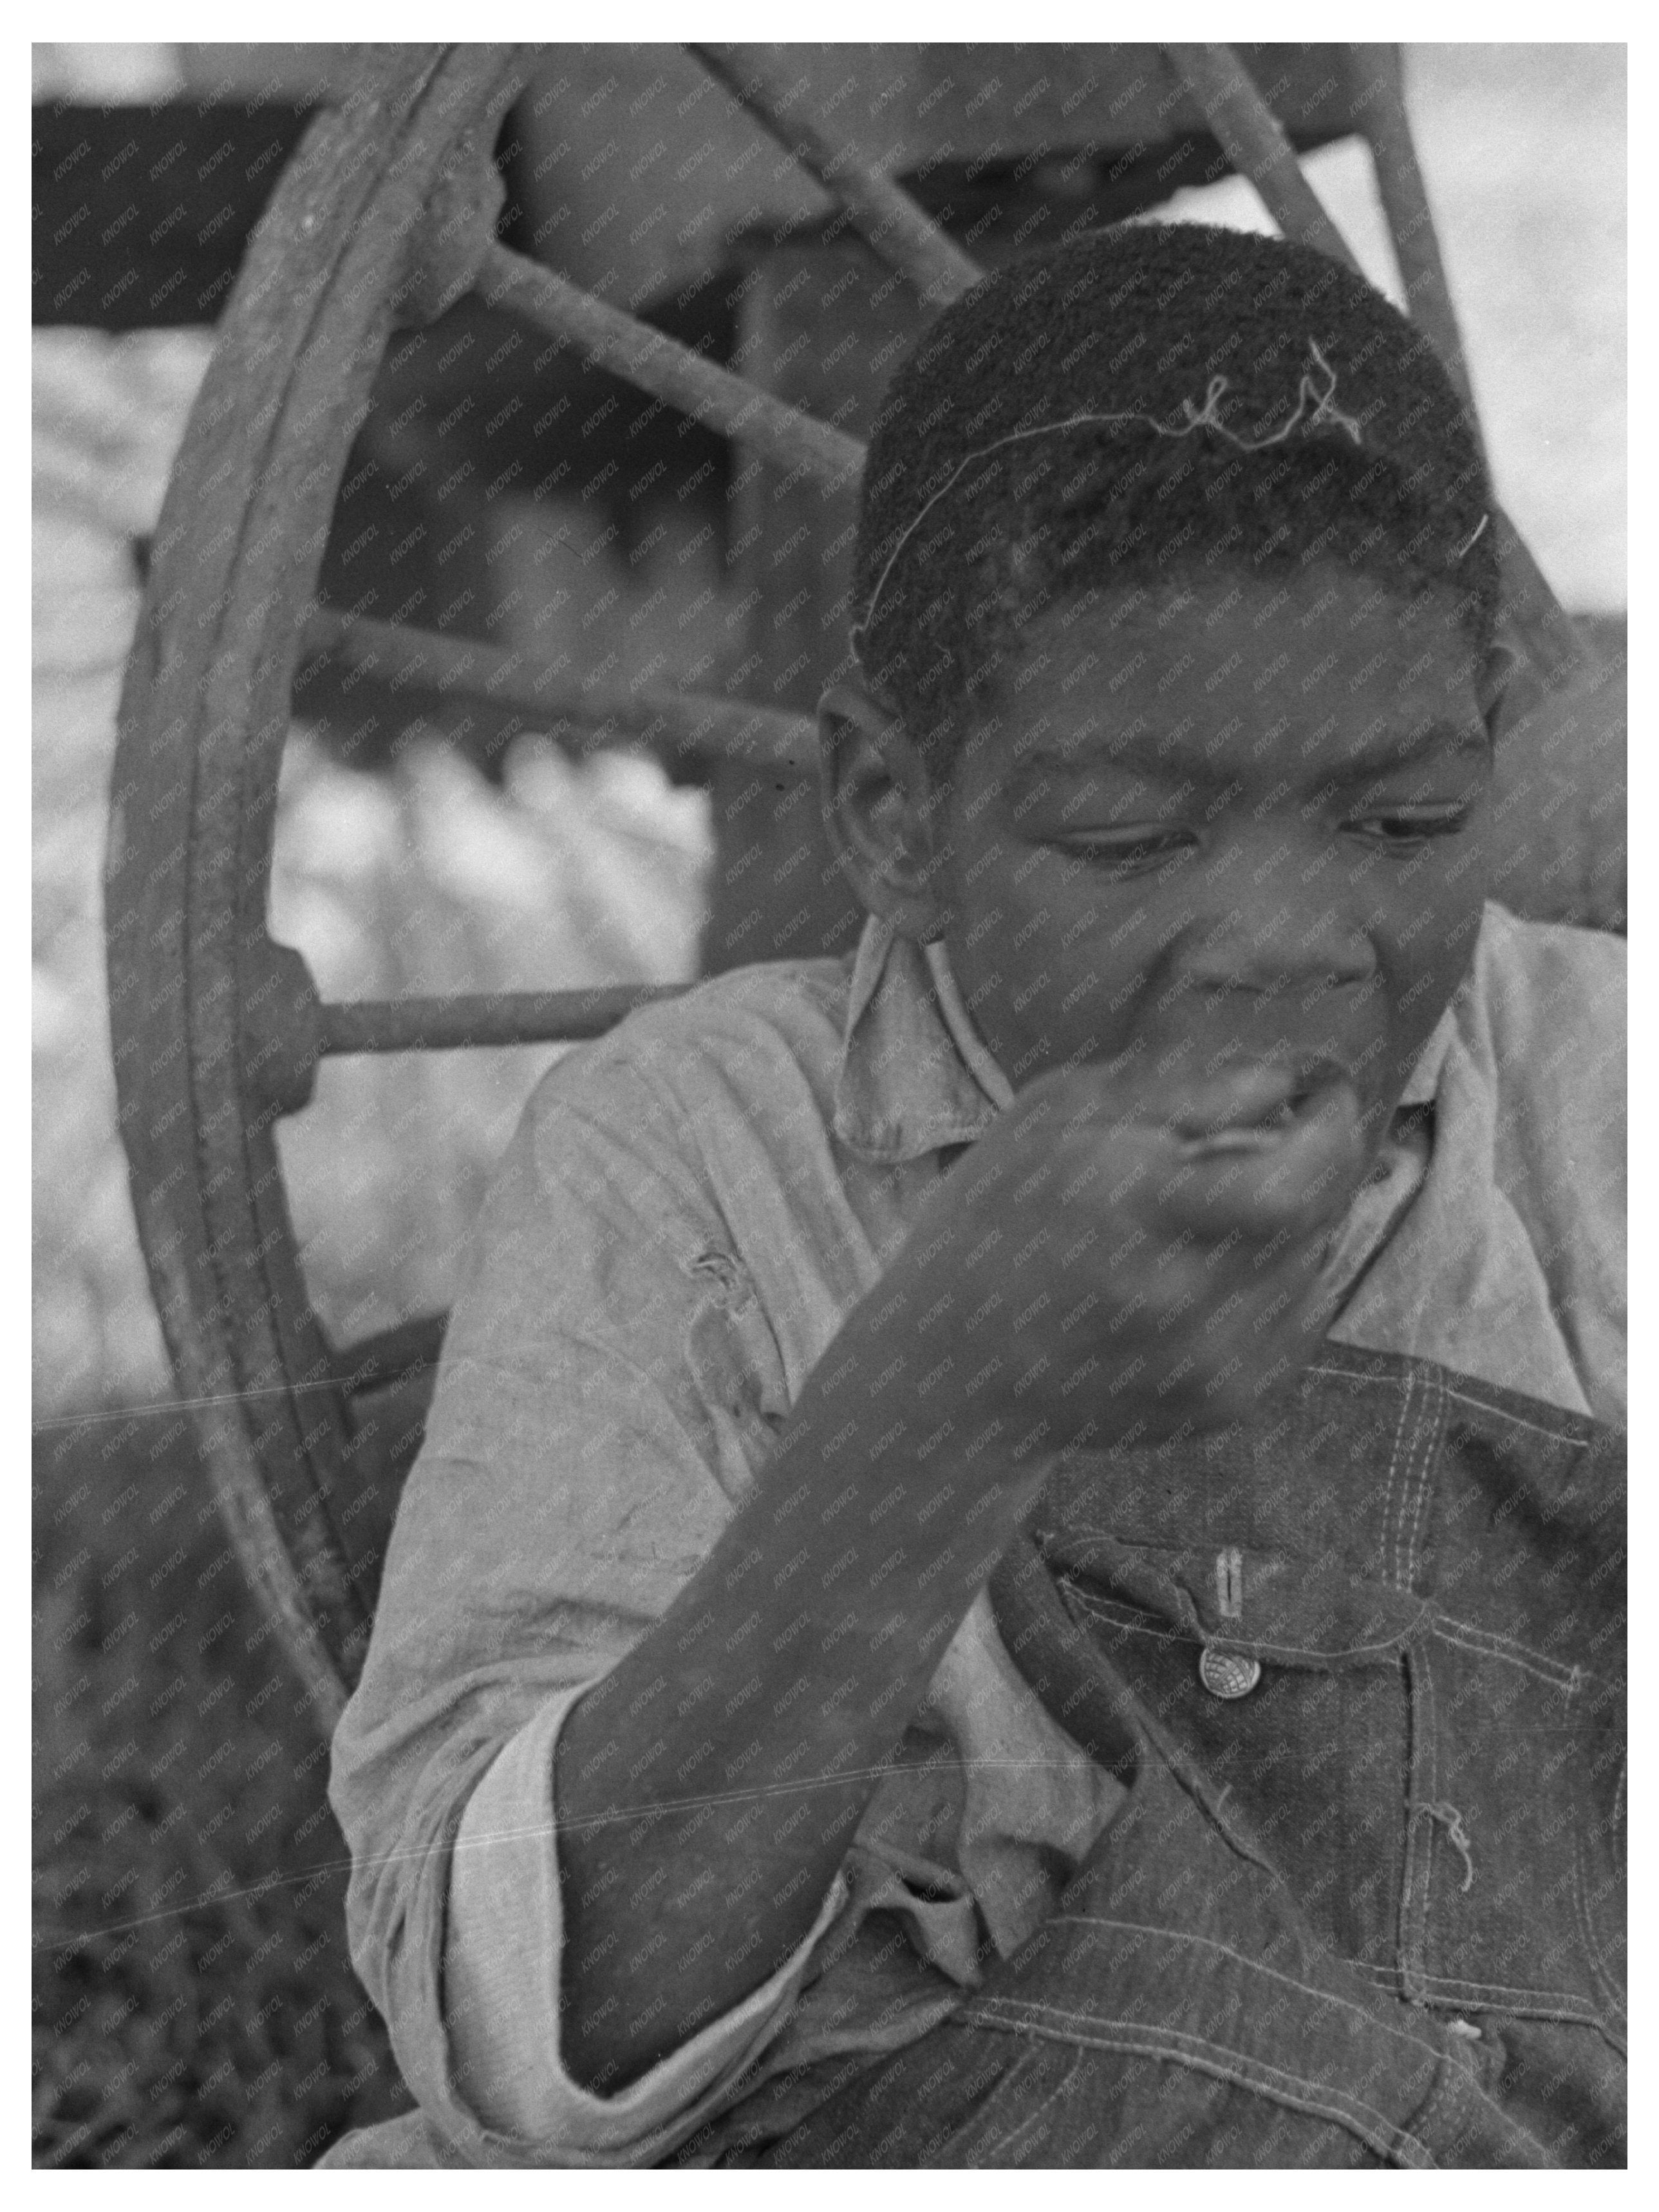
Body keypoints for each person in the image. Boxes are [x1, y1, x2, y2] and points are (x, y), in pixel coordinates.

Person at [322, 223, 1625, 2169]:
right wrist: (935, 1403)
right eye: (1127, 836)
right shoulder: (699, 1155)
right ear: (886, 812)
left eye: (1403, 820)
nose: (1285, 943)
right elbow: (523, 2045)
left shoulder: (1602, 1105)